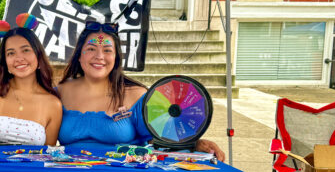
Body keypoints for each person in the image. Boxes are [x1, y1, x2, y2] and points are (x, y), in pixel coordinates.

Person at [56, 22, 225, 161]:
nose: (99, 56)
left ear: (115, 59)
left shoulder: (136, 95)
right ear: (79, 55)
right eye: (91, 49)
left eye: (107, 50)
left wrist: (193, 144)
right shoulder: (59, 93)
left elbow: (160, 140)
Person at [0, 18, 62, 146]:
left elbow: (47, 156)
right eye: (11, 53)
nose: (19, 58)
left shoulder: (53, 104)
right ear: (5, 62)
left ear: (39, 56)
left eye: (25, 50)